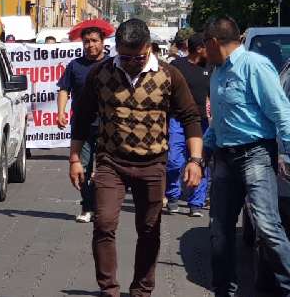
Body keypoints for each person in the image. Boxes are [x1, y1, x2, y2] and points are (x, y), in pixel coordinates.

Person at [69, 18, 203, 297]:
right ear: (116, 48)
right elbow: (81, 119)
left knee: (149, 229)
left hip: (153, 164)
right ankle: (109, 289)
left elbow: (191, 117)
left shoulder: (168, 75)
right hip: (110, 163)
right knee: (103, 223)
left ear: (149, 48)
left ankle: (142, 289)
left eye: (138, 57)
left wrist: (195, 160)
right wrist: (74, 159)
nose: (131, 62)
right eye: (125, 56)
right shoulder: (100, 74)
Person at [202, 15, 290, 296]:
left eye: (205, 45)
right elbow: (219, 119)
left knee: (267, 228)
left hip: (256, 155)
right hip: (224, 158)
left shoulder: (254, 66)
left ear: (214, 42)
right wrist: (203, 150)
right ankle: (224, 290)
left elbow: (281, 114)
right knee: (219, 231)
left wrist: (288, 155)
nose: (203, 51)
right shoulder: (217, 72)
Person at [57, 26, 107, 223]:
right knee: (82, 167)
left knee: (105, 169)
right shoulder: (74, 65)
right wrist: (61, 112)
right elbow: (64, 89)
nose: (90, 45)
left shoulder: (111, 65)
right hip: (82, 127)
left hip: (107, 126)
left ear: (102, 41)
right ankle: (87, 207)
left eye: (94, 40)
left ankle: (102, 207)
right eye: (86, 41)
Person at [165, 33, 211, 217]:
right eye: (207, 46)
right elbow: (166, 95)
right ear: (199, 48)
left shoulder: (210, 67)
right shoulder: (177, 67)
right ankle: (173, 196)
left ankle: (196, 203)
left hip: (202, 123)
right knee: (174, 161)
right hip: (178, 120)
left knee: (200, 162)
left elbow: (214, 93)